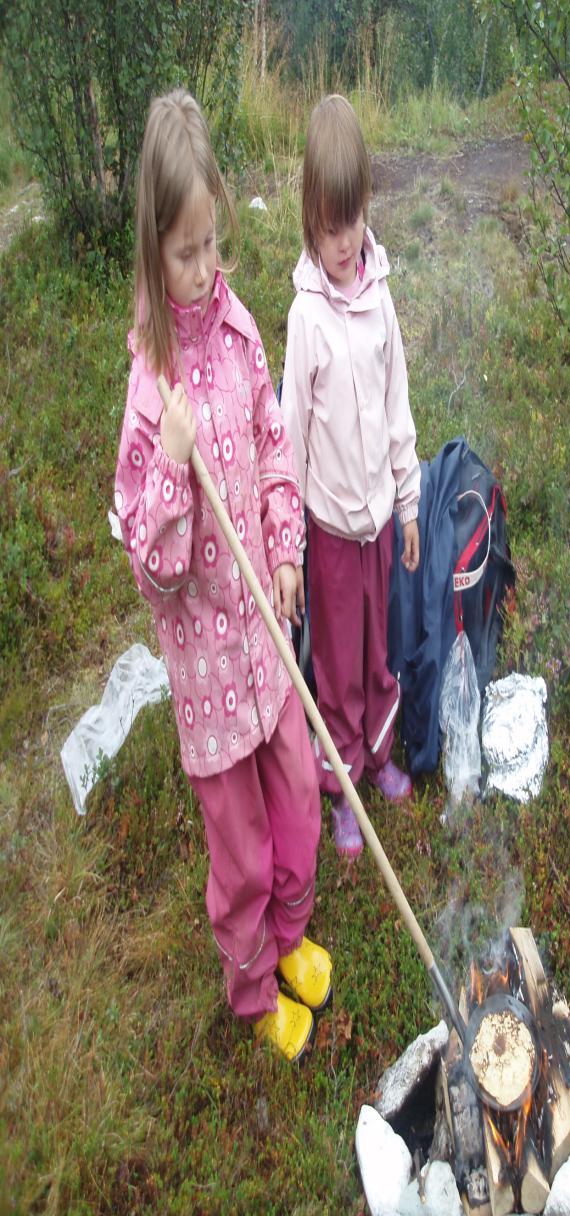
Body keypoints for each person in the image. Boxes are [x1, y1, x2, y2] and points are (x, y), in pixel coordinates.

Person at [114, 89, 331, 1063]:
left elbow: (275, 449)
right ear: (153, 256)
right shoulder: (146, 388)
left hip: (264, 638)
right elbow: (150, 573)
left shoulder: (242, 332)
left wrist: (285, 550)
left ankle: (291, 936)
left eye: (213, 247)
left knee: (293, 791)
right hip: (207, 673)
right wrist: (167, 462)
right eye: (185, 253)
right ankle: (251, 983)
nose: (205, 271)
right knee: (237, 843)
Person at [281, 94, 421, 859]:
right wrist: (288, 546)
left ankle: (378, 754)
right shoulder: (306, 319)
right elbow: (290, 438)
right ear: (310, 220)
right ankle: (339, 787)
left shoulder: (380, 301)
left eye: (354, 220)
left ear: (368, 205)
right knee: (333, 668)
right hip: (330, 532)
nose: (344, 242)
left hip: (376, 523)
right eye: (329, 226)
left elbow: (397, 404)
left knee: (377, 651)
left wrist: (406, 503)